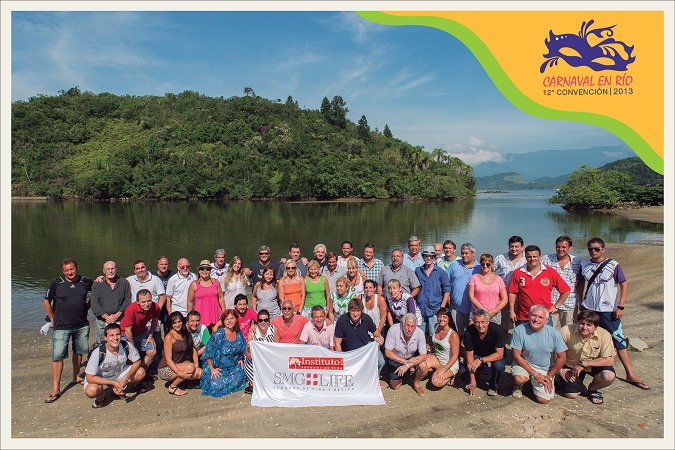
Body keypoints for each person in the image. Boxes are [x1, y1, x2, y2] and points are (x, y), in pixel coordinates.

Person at [580, 237, 649, 390]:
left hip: (608, 311)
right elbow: (580, 283)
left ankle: (630, 374)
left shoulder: (613, 265)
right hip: (589, 309)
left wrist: (621, 306)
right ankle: (587, 369)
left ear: (603, 249)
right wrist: (580, 302)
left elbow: (624, 285)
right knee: (587, 338)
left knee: (619, 341)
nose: (593, 251)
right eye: (590, 248)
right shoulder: (584, 264)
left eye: (596, 248)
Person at [43, 258, 93, 403]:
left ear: (77, 268)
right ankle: (55, 389)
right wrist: (53, 319)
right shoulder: (56, 283)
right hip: (61, 326)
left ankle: (76, 376)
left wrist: (87, 307)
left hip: (81, 324)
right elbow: (46, 301)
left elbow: (97, 294)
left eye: (72, 269)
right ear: (63, 271)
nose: (70, 272)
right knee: (57, 356)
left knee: (79, 352)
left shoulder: (86, 281)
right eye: (66, 270)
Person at [510, 305, 567, 404]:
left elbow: (562, 358)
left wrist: (549, 376)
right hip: (525, 362)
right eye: (534, 315)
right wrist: (535, 374)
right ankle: (519, 385)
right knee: (520, 379)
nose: (536, 319)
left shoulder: (554, 333)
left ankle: (543, 381)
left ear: (546, 320)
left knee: (543, 400)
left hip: (544, 367)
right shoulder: (520, 330)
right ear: (528, 316)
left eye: (541, 317)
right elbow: (516, 355)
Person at [558, 310, 616, 405]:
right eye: (582, 323)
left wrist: (584, 364)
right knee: (571, 394)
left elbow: (609, 360)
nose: (584, 327)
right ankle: (561, 380)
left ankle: (593, 389)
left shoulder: (605, 335)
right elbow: (553, 351)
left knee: (608, 376)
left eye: (589, 325)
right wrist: (560, 370)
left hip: (593, 365)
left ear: (595, 327)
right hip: (570, 365)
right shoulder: (566, 330)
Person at [84, 323, 145, 408]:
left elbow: (137, 361)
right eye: (111, 335)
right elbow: (90, 377)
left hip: (119, 373)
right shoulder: (98, 352)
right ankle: (101, 396)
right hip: (101, 377)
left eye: (118, 334)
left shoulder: (126, 345)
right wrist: (112, 383)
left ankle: (119, 388)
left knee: (141, 372)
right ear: (106, 338)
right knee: (91, 391)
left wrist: (126, 377)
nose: (115, 338)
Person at [508, 245, 571, 326]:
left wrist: (556, 306)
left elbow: (565, 290)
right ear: (525, 257)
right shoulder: (518, 272)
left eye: (535, 256)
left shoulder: (550, 272)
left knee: (546, 338)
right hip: (524, 316)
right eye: (529, 256)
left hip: (544, 316)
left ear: (540, 256)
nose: (532, 259)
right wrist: (511, 311)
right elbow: (512, 292)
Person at [200, 309, 247, 397]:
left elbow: (242, 347)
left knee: (240, 379)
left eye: (232, 318)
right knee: (216, 386)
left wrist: (241, 359)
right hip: (218, 367)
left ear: (236, 319)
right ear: (223, 322)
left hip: (233, 366)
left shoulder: (238, 332)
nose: (229, 321)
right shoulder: (219, 334)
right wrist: (212, 369)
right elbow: (208, 352)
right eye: (227, 319)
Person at [126, 260, 166, 361]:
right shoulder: (130, 280)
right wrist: (101, 278)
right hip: (137, 316)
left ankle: (158, 363)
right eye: (138, 268)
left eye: (142, 267)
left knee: (157, 341)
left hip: (152, 315)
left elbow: (162, 296)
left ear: (146, 267)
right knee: (139, 341)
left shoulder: (155, 280)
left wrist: (155, 310)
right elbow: (114, 280)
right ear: (134, 270)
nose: (140, 270)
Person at [541, 236, 584, 329]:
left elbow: (581, 282)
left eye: (564, 247)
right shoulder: (546, 259)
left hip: (570, 302)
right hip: (551, 302)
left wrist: (580, 300)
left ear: (570, 248)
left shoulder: (577, 261)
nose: (560, 249)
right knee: (549, 329)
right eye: (558, 247)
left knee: (570, 330)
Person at [335, 298, 385, 373]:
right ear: (349, 310)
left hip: (364, 348)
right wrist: (342, 359)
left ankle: (374, 378)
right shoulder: (341, 321)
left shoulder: (366, 319)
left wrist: (380, 338)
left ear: (361, 311)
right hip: (348, 351)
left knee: (381, 361)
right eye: (353, 311)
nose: (355, 314)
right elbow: (337, 343)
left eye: (358, 311)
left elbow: (375, 333)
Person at [158, 312, 202, 396]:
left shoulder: (185, 333)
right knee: (190, 368)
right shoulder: (169, 337)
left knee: (199, 372)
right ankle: (173, 387)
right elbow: (168, 359)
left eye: (179, 322)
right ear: (171, 324)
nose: (177, 325)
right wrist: (179, 373)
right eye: (174, 323)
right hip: (166, 368)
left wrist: (197, 366)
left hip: (179, 364)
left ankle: (180, 380)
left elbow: (193, 350)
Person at [120, 289, 159, 383]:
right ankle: (128, 375)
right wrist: (133, 347)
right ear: (137, 302)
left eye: (149, 300)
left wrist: (151, 335)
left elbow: (155, 320)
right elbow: (128, 330)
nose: (147, 304)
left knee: (152, 351)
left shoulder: (155, 306)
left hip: (142, 331)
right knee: (131, 355)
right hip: (125, 333)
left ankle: (142, 372)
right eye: (143, 302)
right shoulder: (131, 309)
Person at [464, 308, 506, 396]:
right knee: (464, 376)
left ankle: (493, 386)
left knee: (499, 366)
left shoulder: (497, 330)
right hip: (477, 353)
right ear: (473, 322)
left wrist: (481, 360)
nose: (480, 325)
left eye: (483, 322)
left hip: (494, 353)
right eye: (477, 322)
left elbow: (499, 354)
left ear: (488, 321)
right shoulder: (468, 332)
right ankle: (477, 375)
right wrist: (472, 380)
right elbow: (469, 357)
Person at [384, 313, 428, 396]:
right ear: (402, 324)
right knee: (395, 386)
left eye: (412, 326)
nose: (409, 329)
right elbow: (388, 352)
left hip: (411, 357)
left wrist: (407, 365)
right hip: (396, 357)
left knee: (424, 367)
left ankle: (416, 383)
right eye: (407, 325)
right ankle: (402, 373)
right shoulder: (393, 330)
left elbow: (423, 355)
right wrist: (406, 362)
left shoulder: (420, 333)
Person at [90, 260, 132, 347]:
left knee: (120, 343)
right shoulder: (97, 284)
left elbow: (127, 300)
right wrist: (107, 317)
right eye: (108, 269)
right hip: (102, 321)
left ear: (116, 269)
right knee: (101, 344)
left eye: (112, 268)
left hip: (120, 319)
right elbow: (94, 303)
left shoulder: (124, 282)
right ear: (103, 271)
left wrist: (116, 315)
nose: (110, 271)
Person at [493, 236, 526, 339]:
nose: (514, 249)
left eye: (517, 246)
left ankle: (520, 350)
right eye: (512, 246)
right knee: (504, 326)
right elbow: (490, 271)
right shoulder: (500, 258)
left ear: (522, 247)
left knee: (523, 326)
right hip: (505, 297)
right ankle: (503, 350)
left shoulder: (527, 259)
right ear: (508, 246)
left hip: (523, 297)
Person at [415, 245, 451, 339]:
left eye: (431, 256)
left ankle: (434, 351)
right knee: (420, 333)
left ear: (434, 257)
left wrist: (442, 306)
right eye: (426, 256)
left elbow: (447, 290)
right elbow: (414, 288)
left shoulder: (441, 272)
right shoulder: (418, 271)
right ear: (423, 257)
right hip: (420, 307)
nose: (428, 258)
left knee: (434, 333)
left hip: (435, 308)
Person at [447, 243, 482, 337]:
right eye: (462, 253)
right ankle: (457, 351)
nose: (464, 255)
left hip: (473, 308)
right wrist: (447, 296)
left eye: (466, 253)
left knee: (473, 334)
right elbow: (447, 282)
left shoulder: (479, 267)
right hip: (456, 307)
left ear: (473, 253)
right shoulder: (454, 264)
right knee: (456, 333)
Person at [244, 309, 279, 394]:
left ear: (269, 321)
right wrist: (248, 349)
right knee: (257, 383)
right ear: (257, 321)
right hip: (254, 362)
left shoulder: (273, 330)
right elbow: (248, 356)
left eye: (265, 320)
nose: (263, 322)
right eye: (260, 320)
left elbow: (277, 349)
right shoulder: (252, 333)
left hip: (269, 360)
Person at [425, 307, 460, 389]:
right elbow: (436, 343)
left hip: (449, 363)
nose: (441, 319)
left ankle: (450, 375)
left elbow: (455, 356)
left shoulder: (453, 335)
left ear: (449, 319)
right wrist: (431, 349)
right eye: (439, 316)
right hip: (437, 358)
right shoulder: (436, 326)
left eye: (444, 317)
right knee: (421, 365)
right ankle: (438, 371)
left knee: (435, 382)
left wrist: (444, 369)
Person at [468, 254, 508, 325]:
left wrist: (495, 311)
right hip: (477, 313)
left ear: (492, 264)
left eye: (488, 264)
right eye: (483, 264)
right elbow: (471, 297)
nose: (485, 266)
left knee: (492, 335)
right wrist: (483, 309)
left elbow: (505, 299)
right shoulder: (474, 277)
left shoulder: (499, 279)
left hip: (494, 314)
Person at [187, 259, 225, 333]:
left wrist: (223, 311)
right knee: (202, 338)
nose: (205, 271)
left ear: (210, 271)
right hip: (200, 315)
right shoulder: (194, 284)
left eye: (207, 269)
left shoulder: (216, 282)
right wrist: (190, 317)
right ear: (199, 271)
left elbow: (221, 297)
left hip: (215, 314)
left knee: (215, 336)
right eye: (202, 269)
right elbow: (190, 302)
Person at [152, 256, 174, 326]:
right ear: (158, 265)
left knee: (169, 324)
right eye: (161, 264)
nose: (163, 266)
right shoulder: (153, 276)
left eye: (166, 264)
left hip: (170, 304)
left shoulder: (173, 276)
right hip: (158, 304)